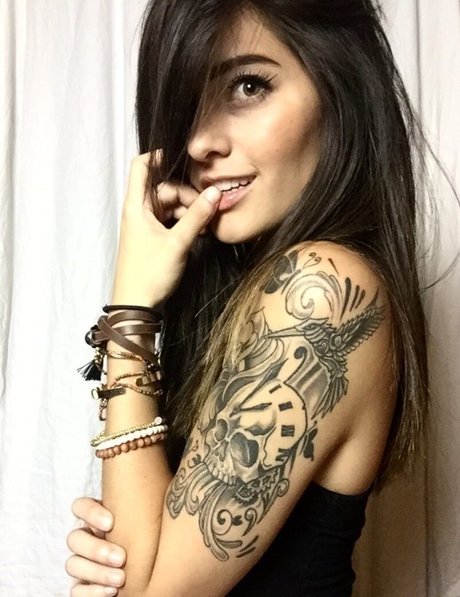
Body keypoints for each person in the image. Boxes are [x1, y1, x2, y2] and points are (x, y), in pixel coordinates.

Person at [65, 0, 432, 595]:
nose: (200, 141)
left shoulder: (320, 288)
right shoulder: (247, 293)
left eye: (248, 86)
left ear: (340, 88)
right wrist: (120, 555)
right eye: (188, 102)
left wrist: (130, 307)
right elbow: (139, 573)